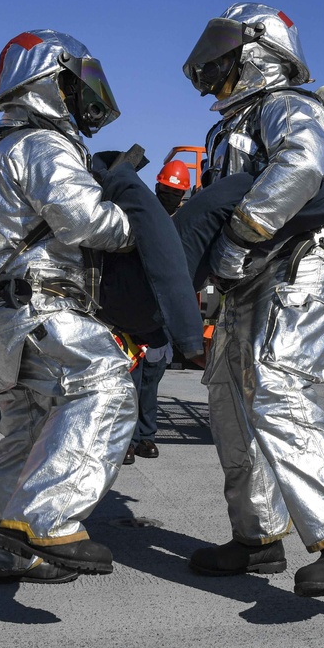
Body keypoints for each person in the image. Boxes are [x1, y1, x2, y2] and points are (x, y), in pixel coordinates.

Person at [180, 3, 324, 597]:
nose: (211, 56)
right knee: (227, 399)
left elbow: (300, 166)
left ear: (259, 51)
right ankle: (258, 537)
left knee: (275, 388)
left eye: (224, 44)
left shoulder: (289, 106)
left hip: (301, 264)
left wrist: (238, 238)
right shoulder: (231, 125)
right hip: (248, 273)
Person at [0, 29, 137, 583]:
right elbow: (84, 219)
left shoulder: (4, 145)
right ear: (48, 83)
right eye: (75, 83)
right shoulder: (43, 144)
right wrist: (139, 226)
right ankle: (49, 518)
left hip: (3, 316)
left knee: (22, 436)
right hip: (43, 305)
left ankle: (1, 552)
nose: (84, 95)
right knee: (107, 383)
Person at [123, 160, 192, 465]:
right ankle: (126, 439)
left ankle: (145, 436)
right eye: (166, 190)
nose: (169, 196)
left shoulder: (184, 224)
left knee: (151, 381)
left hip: (161, 316)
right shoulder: (143, 215)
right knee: (130, 381)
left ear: (183, 195)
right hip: (135, 309)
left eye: (175, 192)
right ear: (157, 187)